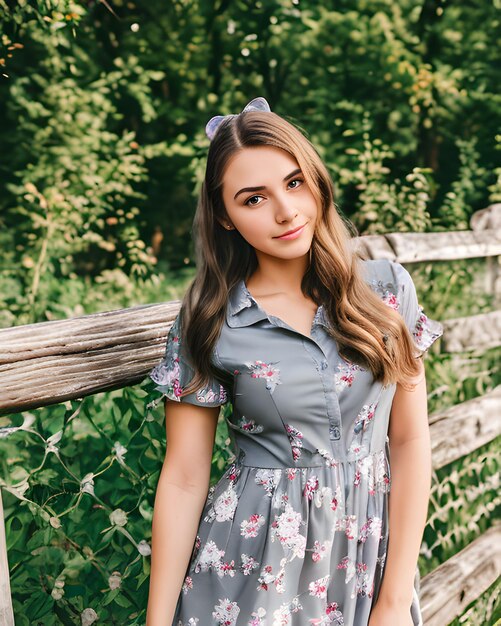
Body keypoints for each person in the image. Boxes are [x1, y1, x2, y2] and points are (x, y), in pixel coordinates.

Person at [145, 97, 443, 626]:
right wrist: (157, 621)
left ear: (317, 180)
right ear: (225, 217)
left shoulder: (386, 290)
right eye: (253, 198)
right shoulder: (211, 320)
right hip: (251, 570)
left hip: (368, 562)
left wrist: (395, 597)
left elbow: (410, 439)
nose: (285, 211)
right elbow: (185, 478)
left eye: (295, 182)